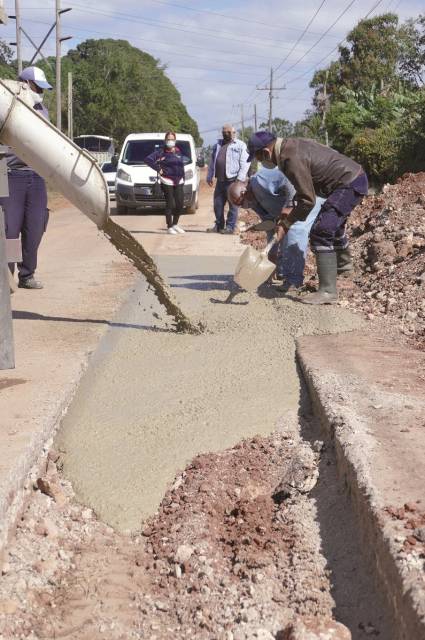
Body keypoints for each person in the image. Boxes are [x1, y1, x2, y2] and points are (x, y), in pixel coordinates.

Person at [246, 131, 368, 304]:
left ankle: (328, 291)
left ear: (266, 152)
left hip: (348, 183)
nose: (260, 162)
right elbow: (305, 190)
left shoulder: (290, 159)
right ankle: (344, 268)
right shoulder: (289, 147)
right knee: (334, 225)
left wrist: (288, 223)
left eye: (258, 158)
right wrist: (290, 210)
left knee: (322, 230)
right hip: (350, 179)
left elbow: (308, 201)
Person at [228, 168, 324, 292]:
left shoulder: (261, 179)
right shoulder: (254, 201)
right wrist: (271, 254)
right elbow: (271, 224)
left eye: (242, 203)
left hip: (308, 198)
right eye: (240, 206)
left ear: (243, 192)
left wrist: (289, 206)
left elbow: (289, 178)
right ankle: (281, 272)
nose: (244, 207)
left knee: (294, 229)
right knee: (283, 231)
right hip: (291, 210)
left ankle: (294, 280)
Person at [0, 66, 52, 289]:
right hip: (9, 174)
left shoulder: (42, 110)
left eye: (42, 88)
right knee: (10, 229)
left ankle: (27, 274)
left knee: (36, 226)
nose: (40, 91)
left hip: (36, 175)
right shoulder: (6, 106)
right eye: (37, 87)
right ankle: (7, 279)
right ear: (23, 84)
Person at [206, 124, 250, 234]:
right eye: (225, 132)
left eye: (230, 132)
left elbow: (245, 163)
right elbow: (213, 162)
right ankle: (219, 226)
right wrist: (209, 175)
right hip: (220, 180)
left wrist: (239, 180)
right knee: (217, 204)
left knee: (233, 205)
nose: (227, 134)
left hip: (233, 180)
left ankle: (230, 227)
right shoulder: (218, 145)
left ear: (234, 133)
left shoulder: (240, 145)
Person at [144, 131, 190, 235]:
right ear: (165, 140)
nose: (170, 141)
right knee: (170, 203)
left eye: (172, 139)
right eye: (168, 139)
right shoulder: (160, 152)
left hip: (179, 181)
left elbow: (181, 165)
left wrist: (183, 177)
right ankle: (169, 227)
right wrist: (158, 169)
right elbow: (148, 160)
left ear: (175, 140)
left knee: (180, 203)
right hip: (167, 180)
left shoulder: (178, 151)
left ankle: (175, 224)